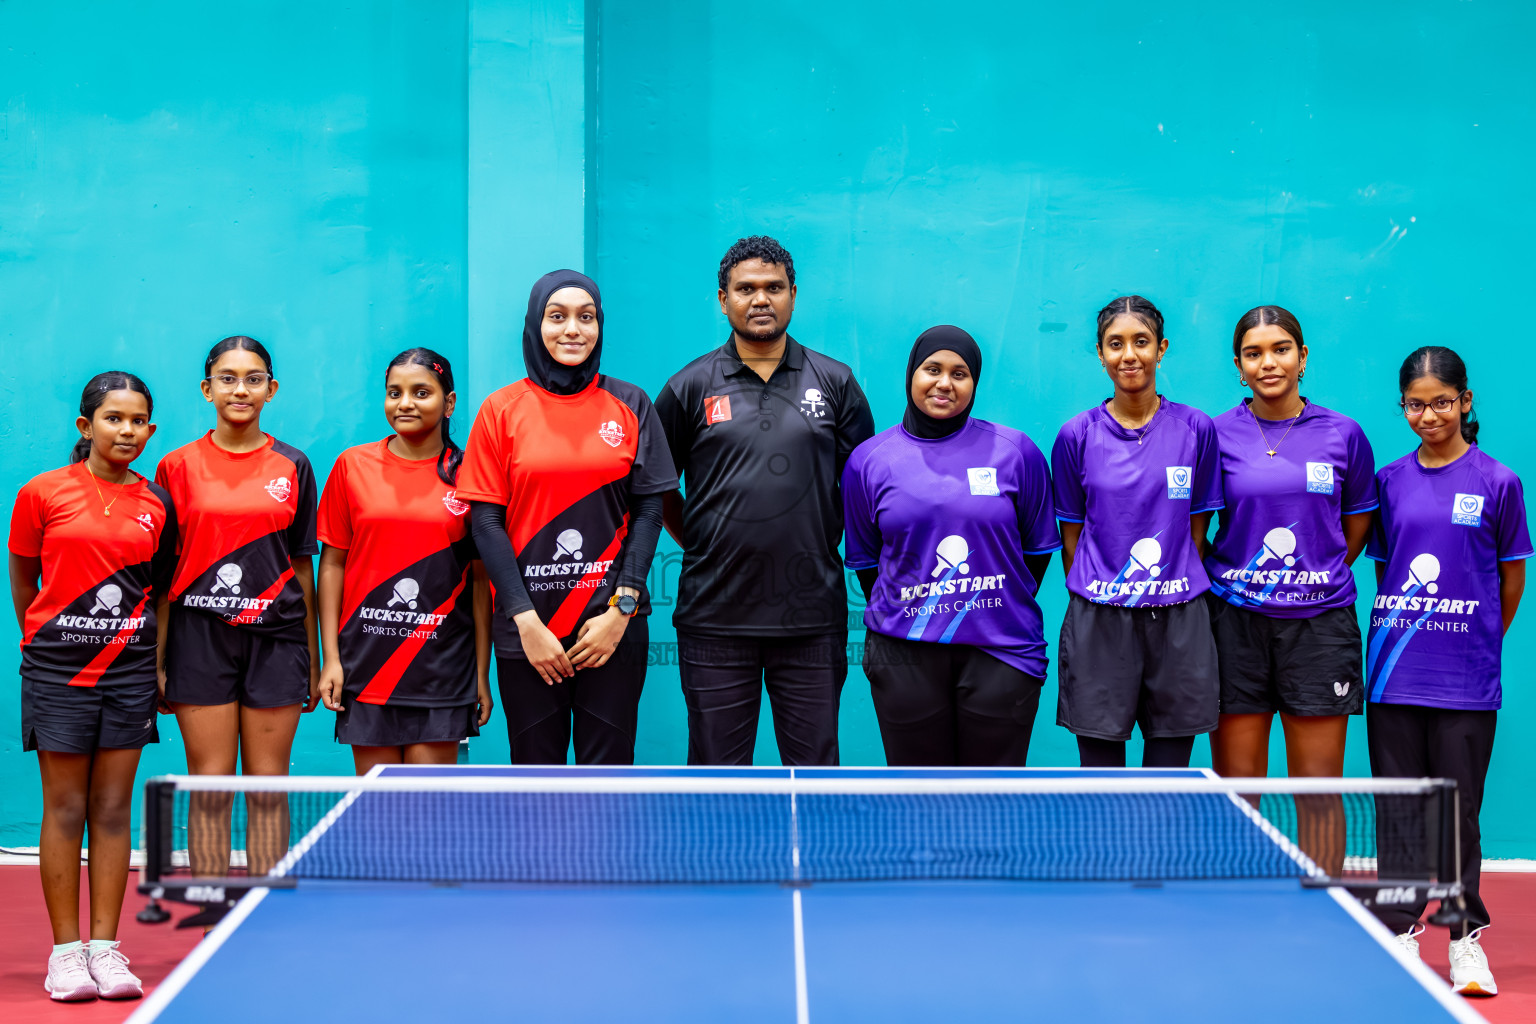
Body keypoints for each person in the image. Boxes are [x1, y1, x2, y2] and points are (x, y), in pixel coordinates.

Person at [655, 236, 875, 765]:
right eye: (746, 288)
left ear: (793, 295)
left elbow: (862, 487)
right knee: (717, 775)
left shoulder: (837, 382)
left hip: (811, 618)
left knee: (816, 769)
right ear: (722, 299)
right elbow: (658, 489)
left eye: (773, 287)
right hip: (714, 618)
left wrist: (816, 532)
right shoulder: (688, 387)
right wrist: (705, 541)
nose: (761, 299)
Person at [459, 270, 675, 763]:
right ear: (536, 325)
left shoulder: (631, 403)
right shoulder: (500, 410)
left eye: (586, 317)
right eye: (557, 317)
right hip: (528, 634)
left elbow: (648, 511)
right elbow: (486, 524)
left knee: (608, 780)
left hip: (610, 630)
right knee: (538, 785)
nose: (572, 329)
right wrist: (526, 622)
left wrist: (621, 609)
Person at [1366, 346, 1528, 996]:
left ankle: (1464, 942)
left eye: (1440, 401)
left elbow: (1510, 579)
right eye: (1415, 403)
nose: (1427, 413)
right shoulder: (1387, 481)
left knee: (1459, 812)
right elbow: (1387, 567)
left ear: (1465, 402)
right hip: (1393, 675)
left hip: (1465, 679)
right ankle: (1401, 929)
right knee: (1402, 810)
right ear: (1402, 407)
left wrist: (1477, 638)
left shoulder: (1499, 482)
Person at [8, 372, 174, 1002]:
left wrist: (150, 662)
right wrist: (47, 639)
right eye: (113, 418)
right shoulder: (44, 493)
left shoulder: (156, 503)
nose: (125, 430)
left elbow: (156, 591)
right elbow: (25, 580)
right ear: (86, 427)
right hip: (57, 672)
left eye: (137, 421)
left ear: (150, 430)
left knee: (111, 809)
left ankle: (105, 950)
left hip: (128, 673)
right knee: (66, 808)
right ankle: (64, 955)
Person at [1203, 307, 1376, 871]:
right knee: (1236, 789)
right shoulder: (1216, 435)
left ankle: (1325, 915)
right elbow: (1199, 533)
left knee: (1318, 788)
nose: (1268, 362)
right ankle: (1234, 907)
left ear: (1302, 357)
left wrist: (1307, 579)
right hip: (1235, 626)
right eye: (1254, 353)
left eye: (1280, 349)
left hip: (1320, 629)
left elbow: (1352, 531)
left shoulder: (1343, 434)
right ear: (1239, 366)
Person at [842, 326, 1059, 765]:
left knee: (991, 804)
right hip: (905, 656)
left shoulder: (1016, 452)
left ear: (974, 383)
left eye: (960, 373)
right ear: (912, 375)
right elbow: (868, 564)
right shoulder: (868, 461)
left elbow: (1036, 554)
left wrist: (986, 602)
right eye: (932, 369)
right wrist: (923, 605)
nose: (945, 383)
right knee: (919, 802)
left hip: (1002, 655)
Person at [154, 336, 320, 878]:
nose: (240, 389)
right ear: (207, 390)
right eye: (227, 378)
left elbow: (301, 566)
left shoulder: (293, 465)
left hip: (277, 640)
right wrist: (158, 659)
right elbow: (163, 573)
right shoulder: (175, 467)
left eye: (253, 378)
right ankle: (210, 916)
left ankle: (263, 922)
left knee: (268, 788)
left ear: (271, 390)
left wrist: (314, 656)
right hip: (198, 638)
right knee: (211, 786)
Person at [1051, 295, 1222, 768]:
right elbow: (1072, 537)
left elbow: (1196, 529)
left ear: (1161, 348)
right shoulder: (1076, 435)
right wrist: (1106, 587)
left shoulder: (1195, 429)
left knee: (1168, 773)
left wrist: (1168, 580)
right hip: (1100, 618)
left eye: (1141, 342)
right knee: (1101, 771)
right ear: (1101, 353)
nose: (1130, 354)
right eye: (1116, 343)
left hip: (1178, 617)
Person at [316, 349, 493, 774]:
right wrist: (332, 658)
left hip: (442, 669)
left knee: (426, 812)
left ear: (449, 403)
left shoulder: (470, 474)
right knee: (378, 813)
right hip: (367, 664)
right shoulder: (352, 466)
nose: (405, 403)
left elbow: (479, 583)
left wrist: (482, 673)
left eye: (421, 392)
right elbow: (332, 565)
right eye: (394, 393)